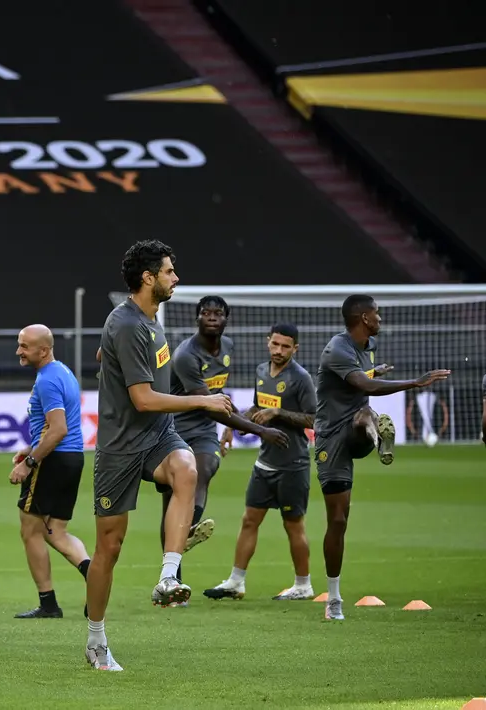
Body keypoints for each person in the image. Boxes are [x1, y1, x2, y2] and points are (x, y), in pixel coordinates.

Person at [85, 240, 234, 672]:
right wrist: (204, 403)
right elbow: (145, 399)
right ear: (148, 278)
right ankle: (95, 640)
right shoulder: (130, 325)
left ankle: (169, 575)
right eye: (170, 271)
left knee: (187, 468)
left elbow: (108, 353)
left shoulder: (147, 320)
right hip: (119, 447)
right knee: (108, 549)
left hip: (158, 436)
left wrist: (108, 353)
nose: (176, 277)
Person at [314, 294, 448, 621]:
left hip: (354, 428)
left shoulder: (367, 346)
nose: (380, 318)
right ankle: (334, 599)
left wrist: (377, 371)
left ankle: (374, 433)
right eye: (377, 313)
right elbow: (363, 383)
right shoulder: (338, 348)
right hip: (331, 437)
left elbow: (364, 379)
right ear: (363, 317)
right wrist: (413, 382)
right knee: (338, 520)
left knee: (362, 415)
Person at [164, 297, 288, 590]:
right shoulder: (186, 356)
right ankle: (171, 579)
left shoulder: (228, 347)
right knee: (170, 500)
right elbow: (210, 405)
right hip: (174, 427)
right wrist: (260, 430)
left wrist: (229, 428)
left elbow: (218, 394)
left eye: (218, 313)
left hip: (204, 429)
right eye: (205, 313)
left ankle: (186, 531)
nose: (211, 317)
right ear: (197, 318)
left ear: (225, 319)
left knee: (206, 467)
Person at [205, 323, 317, 602]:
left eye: (286, 346)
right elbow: (257, 407)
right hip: (265, 463)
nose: (279, 351)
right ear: (268, 342)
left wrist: (278, 412)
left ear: (295, 349)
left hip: (293, 464)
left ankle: (303, 585)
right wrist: (233, 424)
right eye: (275, 344)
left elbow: (315, 419)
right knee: (249, 521)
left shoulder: (301, 379)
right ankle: (236, 582)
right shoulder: (260, 371)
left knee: (293, 525)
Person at [8, 324, 91, 620]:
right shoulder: (62, 372)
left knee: (30, 530)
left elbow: (58, 430)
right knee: (56, 532)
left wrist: (29, 464)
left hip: (53, 461)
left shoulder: (47, 381)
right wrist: (31, 450)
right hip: (71, 459)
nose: (19, 351)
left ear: (43, 351)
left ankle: (48, 604)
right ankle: (93, 574)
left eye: (25, 346)